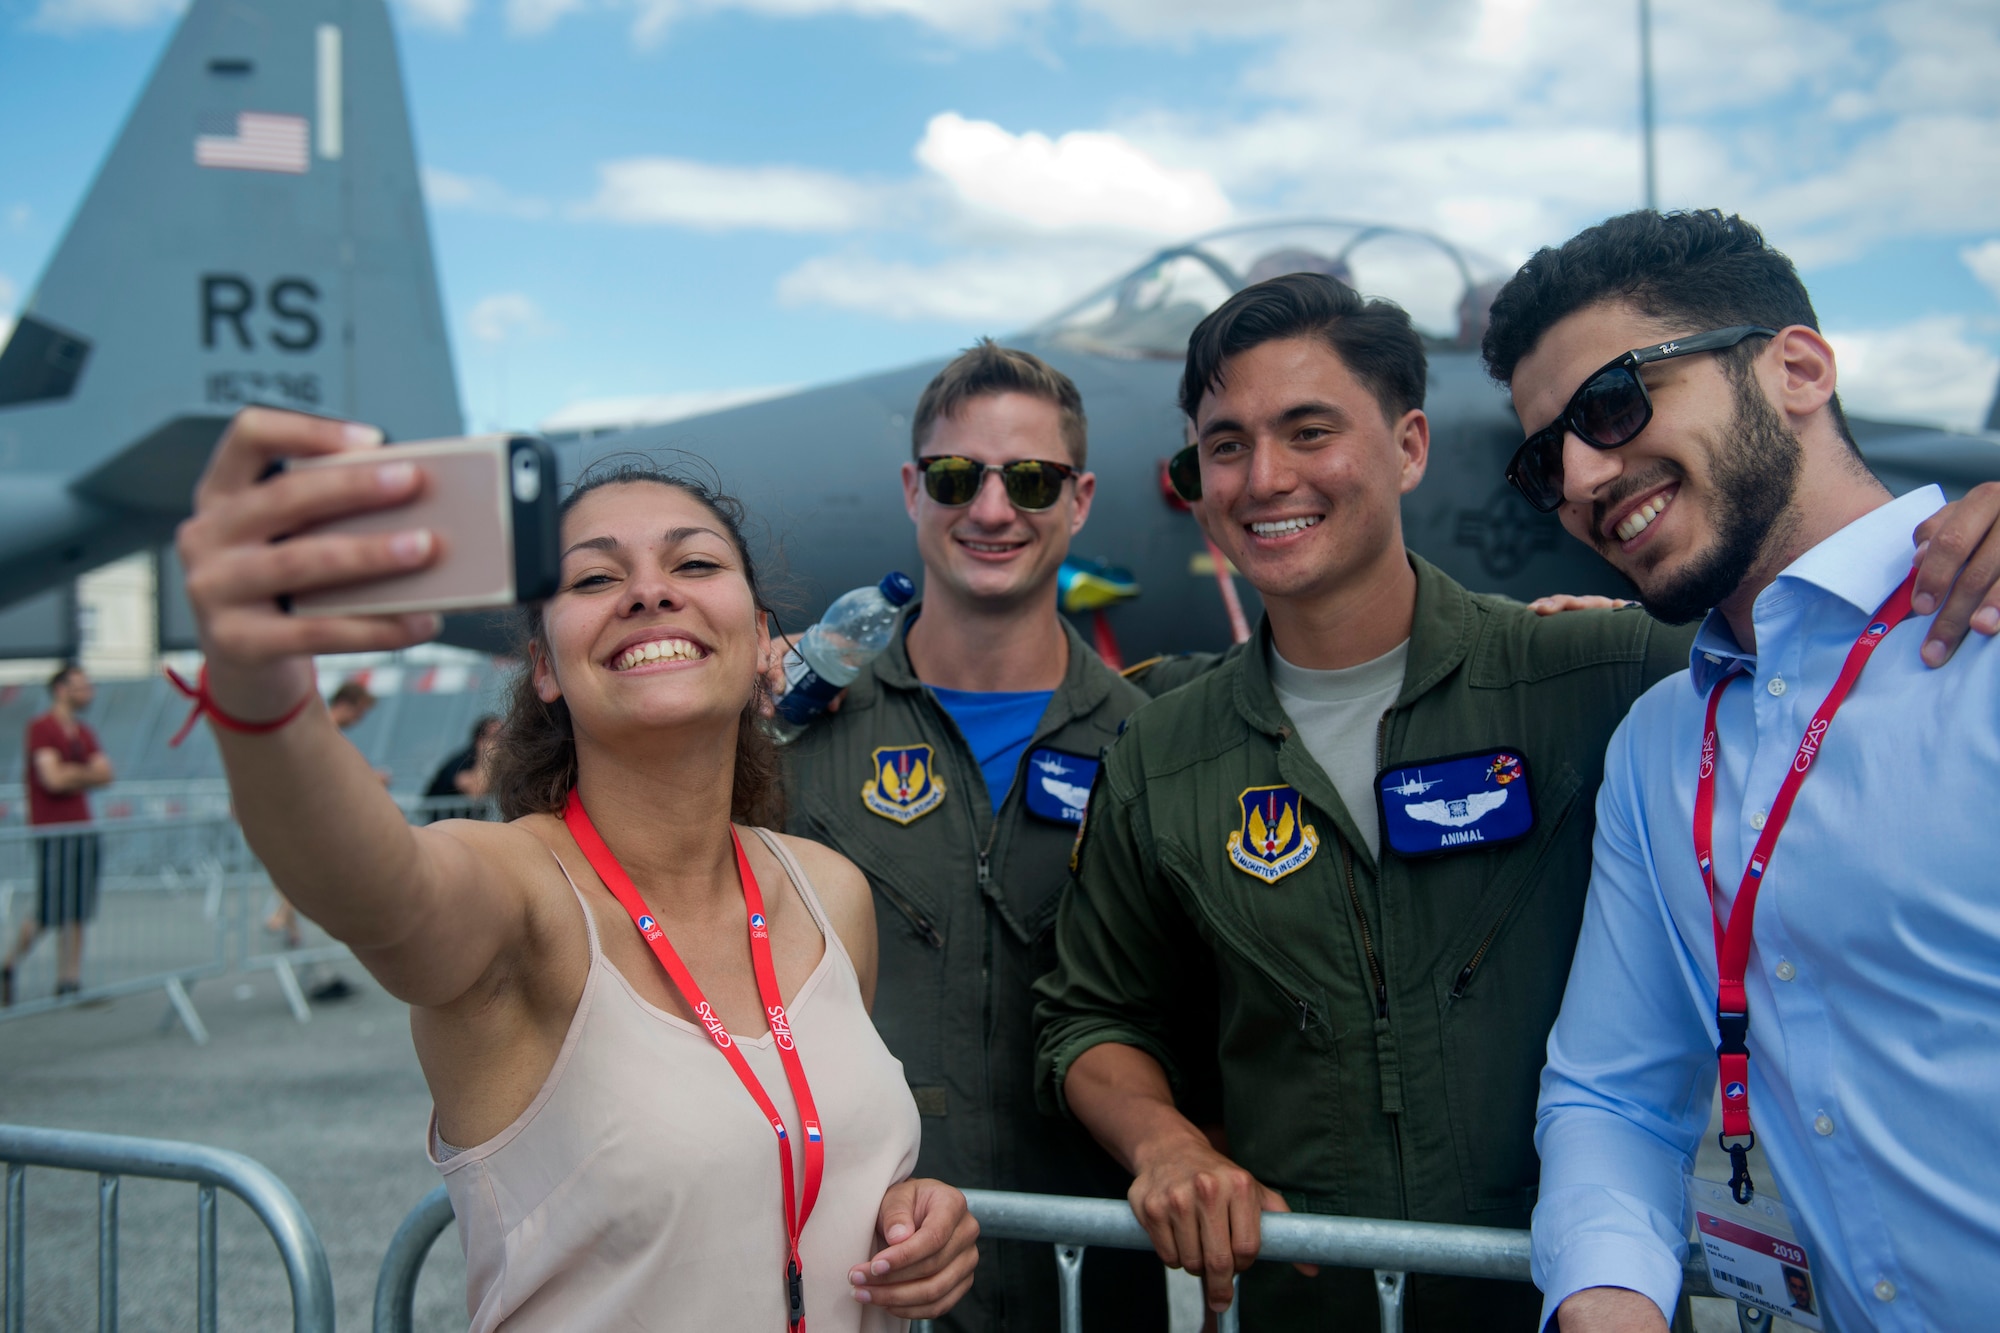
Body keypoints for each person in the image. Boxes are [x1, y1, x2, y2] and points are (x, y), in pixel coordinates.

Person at [1030, 271, 2000, 1330]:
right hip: (1310, 1305)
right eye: (1224, 446)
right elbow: (1091, 1010)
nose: (1264, 478)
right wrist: (1165, 1143)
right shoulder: (1161, 749)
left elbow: (1816, 646)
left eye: (1309, 430)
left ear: (1408, 446)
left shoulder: (1604, 674)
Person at [174, 407, 979, 1331]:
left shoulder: (828, 889)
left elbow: (790, 1149)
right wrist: (259, 681)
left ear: (763, 640)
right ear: (545, 667)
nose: (649, 592)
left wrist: (914, 1212)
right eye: (595, 577)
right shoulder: (517, 893)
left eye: (695, 564)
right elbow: (376, 889)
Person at [1482, 210, 2000, 1332]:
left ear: (1796, 367)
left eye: (1612, 401)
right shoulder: (1660, 746)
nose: (1575, 477)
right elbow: (1612, 1092)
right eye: (1540, 460)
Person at [783, 340, 1167, 1332]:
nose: (991, 510)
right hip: (866, 1286)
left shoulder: (1150, 746)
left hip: (1085, 1290)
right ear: (914, 489)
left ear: (1077, 500)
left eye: (1030, 480)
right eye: (957, 477)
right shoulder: (791, 744)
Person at [1, 664, 113, 1005]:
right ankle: (7, 966)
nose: (88, 692)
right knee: (50, 910)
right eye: (81, 687)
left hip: (82, 828)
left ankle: (69, 980)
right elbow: (52, 779)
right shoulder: (42, 728)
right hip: (53, 831)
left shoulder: (83, 732)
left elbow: (106, 774)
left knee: (79, 908)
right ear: (62, 690)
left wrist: (73, 774)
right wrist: (85, 774)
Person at [423, 714, 501, 822]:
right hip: (445, 823)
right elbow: (476, 792)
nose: (502, 743)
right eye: (496, 737)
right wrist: (486, 757)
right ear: (480, 740)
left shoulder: (499, 763)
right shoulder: (462, 761)